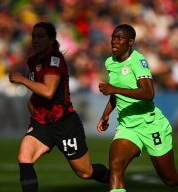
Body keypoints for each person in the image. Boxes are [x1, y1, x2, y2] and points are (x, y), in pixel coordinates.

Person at [96, 24, 178, 192]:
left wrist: (114, 89)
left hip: (150, 125)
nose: (114, 41)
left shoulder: (138, 62)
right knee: (116, 167)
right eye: (113, 38)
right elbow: (116, 93)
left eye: (119, 38)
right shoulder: (110, 62)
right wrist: (106, 115)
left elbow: (148, 93)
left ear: (130, 42)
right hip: (127, 126)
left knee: (170, 178)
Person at [9, 22, 109, 192]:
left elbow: (48, 91)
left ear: (51, 39)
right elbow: (40, 90)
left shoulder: (55, 60)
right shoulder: (33, 61)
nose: (35, 39)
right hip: (42, 123)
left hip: (65, 123)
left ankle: (114, 177)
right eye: (34, 36)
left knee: (85, 172)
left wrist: (23, 80)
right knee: (24, 157)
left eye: (40, 36)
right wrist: (32, 104)